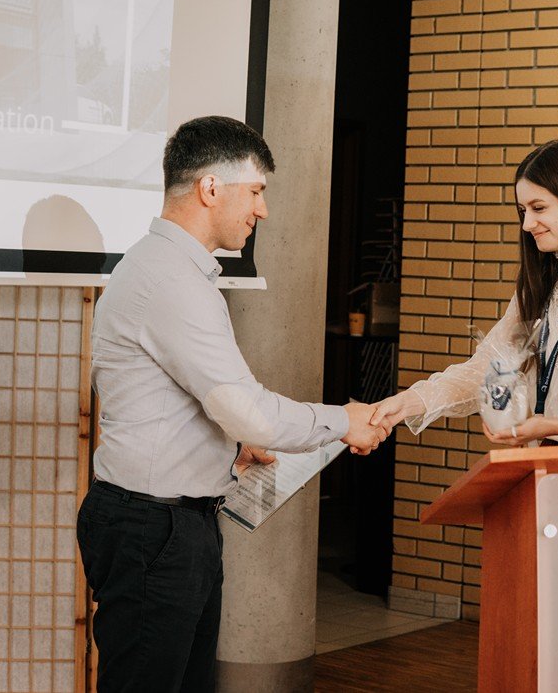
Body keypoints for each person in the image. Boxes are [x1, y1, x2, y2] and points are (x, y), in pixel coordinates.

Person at [76, 115, 385, 693]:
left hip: (169, 524)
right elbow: (248, 411)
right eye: (256, 191)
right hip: (155, 530)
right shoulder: (171, 279)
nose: (262, 210)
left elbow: (172, 404)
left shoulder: (168, 269)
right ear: (211, 188)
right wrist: (345, 421)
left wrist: (227, 451)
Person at [368, 138, 558, 445]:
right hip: (543, 464)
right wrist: (409, 402)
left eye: (538, 208)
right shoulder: (540, 284)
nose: (527, 224)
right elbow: (488, 368)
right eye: (523, 210)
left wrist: (557, 425)